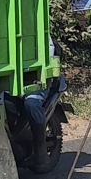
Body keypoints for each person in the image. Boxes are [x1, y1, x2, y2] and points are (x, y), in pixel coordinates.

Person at [23, 36, 63, 167]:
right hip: (6, 86)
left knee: (31, 104)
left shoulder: (39, 33)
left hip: (35, 82)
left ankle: (40, 151)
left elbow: (49, 53)